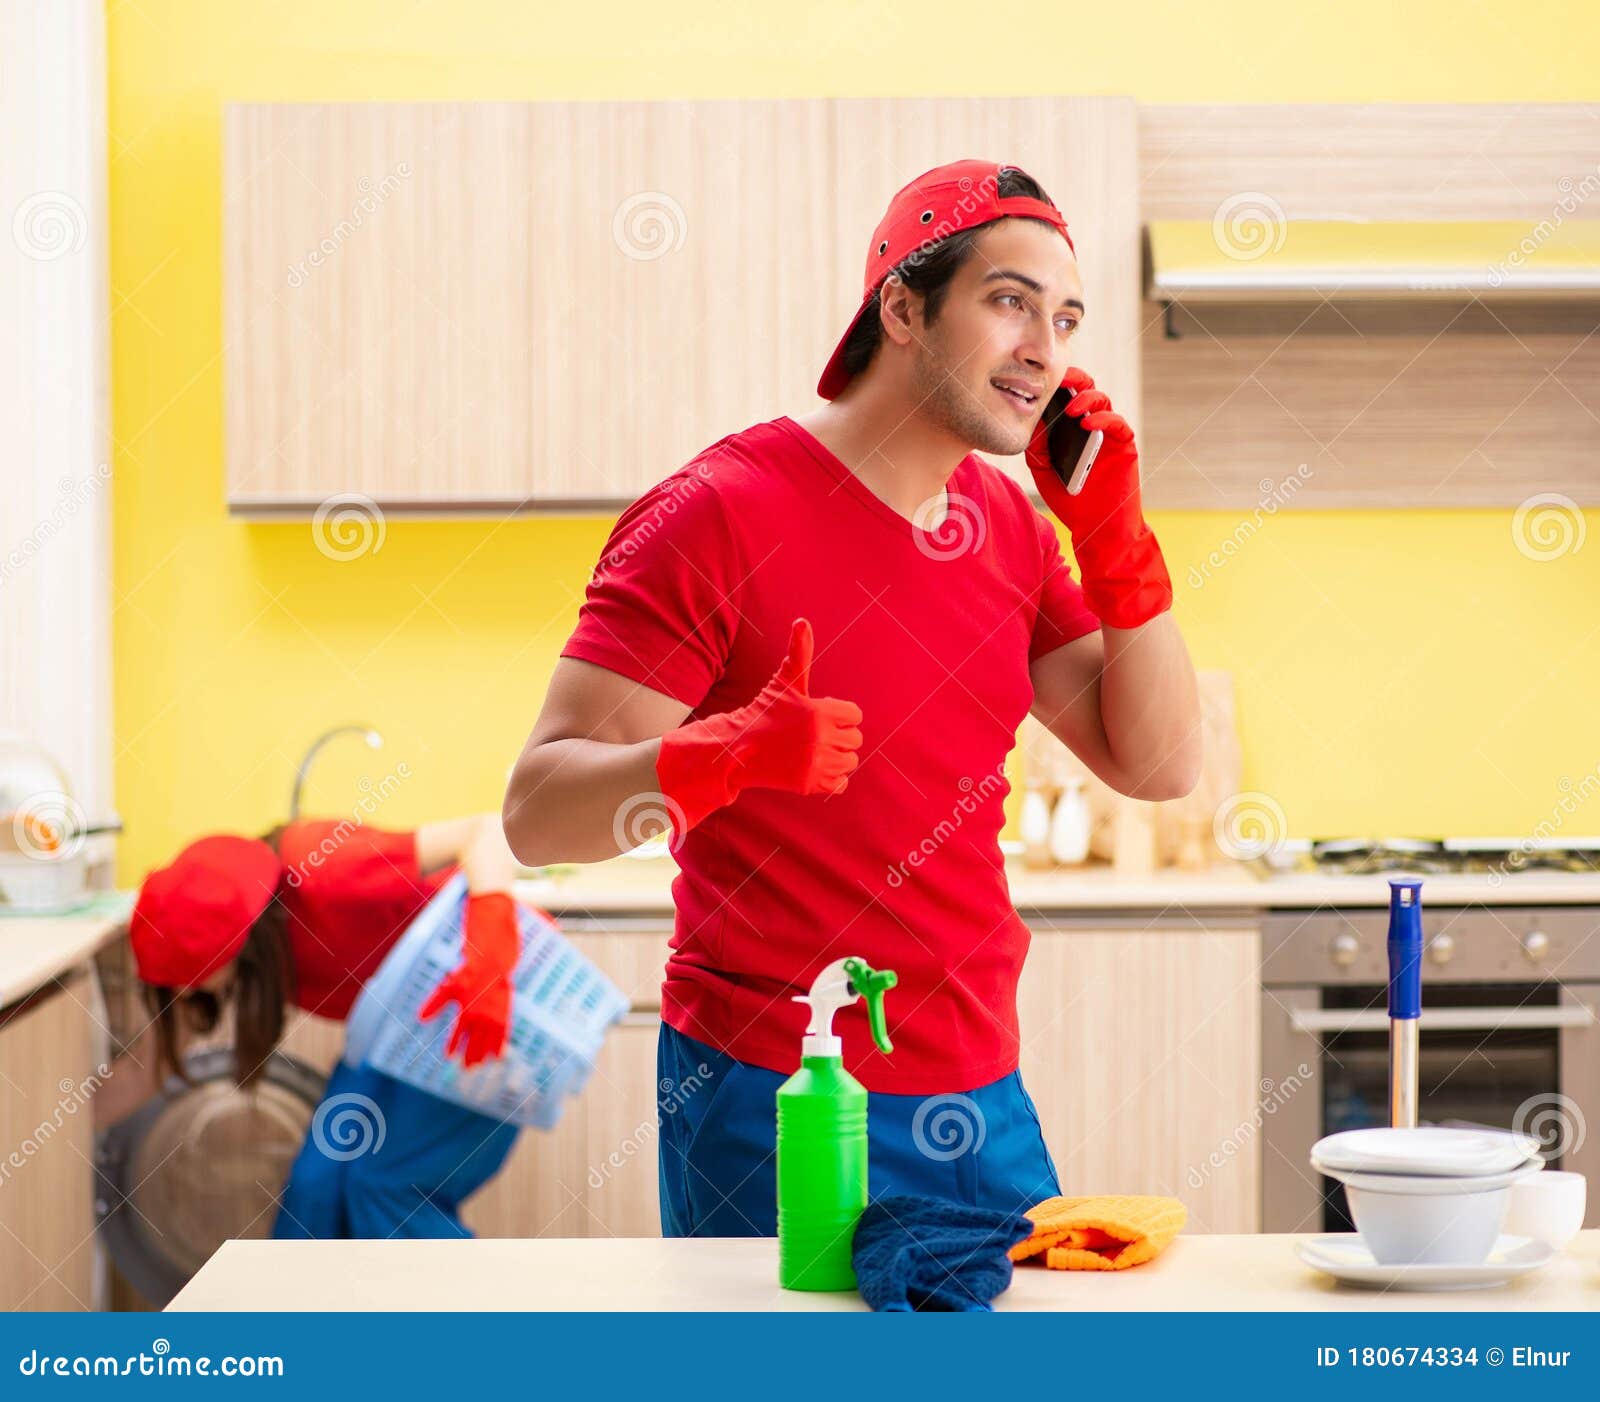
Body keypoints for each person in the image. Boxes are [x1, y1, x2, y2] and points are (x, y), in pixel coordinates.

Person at [502, 159, 1203, 1236]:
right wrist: (721, 756)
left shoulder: (1009, 531)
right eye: (1009, 301)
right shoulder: (716, 514)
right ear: (902, 309)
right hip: (775, 1093)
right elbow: (538, 812)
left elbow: (1158, 765)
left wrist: (1116, 542)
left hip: (979, 1092)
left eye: (1064, 319)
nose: (1043, 349)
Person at [116, 813, 524, 1239]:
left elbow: (485, 831)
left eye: (189, 974)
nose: (184, 990)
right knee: (315, 1191)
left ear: (232, 942)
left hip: (493, 1015)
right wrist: (70, 1120)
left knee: (385, 1190)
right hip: (398, 1038)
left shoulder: (322, 865)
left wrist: (490, 972)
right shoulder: (254, 952)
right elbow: (149, 1067)